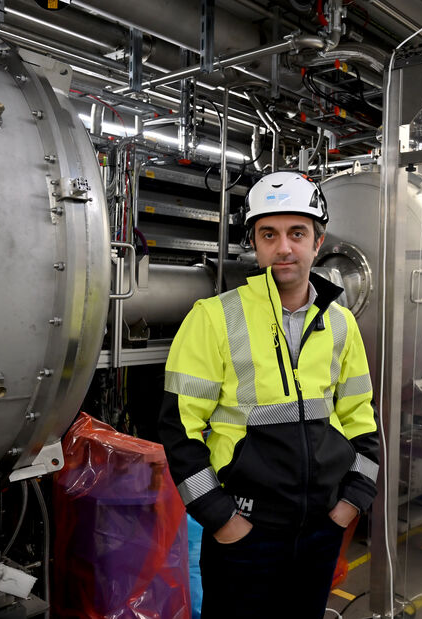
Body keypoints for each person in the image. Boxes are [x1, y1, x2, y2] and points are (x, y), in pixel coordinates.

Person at [159, 171, 379, 619]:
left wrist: (351, 502)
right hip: (245, 534)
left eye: (297, 233)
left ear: (317, 242)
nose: (284, 247)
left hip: (320, 531)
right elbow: (178, 429)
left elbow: (360, 418)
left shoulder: (341, 324)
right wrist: (221, 519)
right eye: (269, 234)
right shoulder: (214, 318)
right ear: (255, 245)